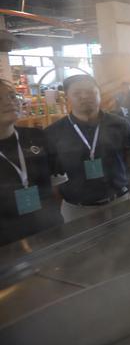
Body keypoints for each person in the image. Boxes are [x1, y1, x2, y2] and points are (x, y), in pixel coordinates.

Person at [45, 75, 130, 222]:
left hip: (120, 201)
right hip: (77, 209)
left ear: (99, 93)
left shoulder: (120, 124)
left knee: (129, 242)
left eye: (90, 91)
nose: (84, 96)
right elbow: (53, 177)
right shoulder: (53, 132)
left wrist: (120, 177)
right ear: (67, 97)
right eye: (77, 93)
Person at [0, 80, 63, 245]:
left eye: (12, 96)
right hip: (7, 244)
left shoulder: (37, 136)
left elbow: (57, 184)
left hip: (49, 230)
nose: (9, 102)